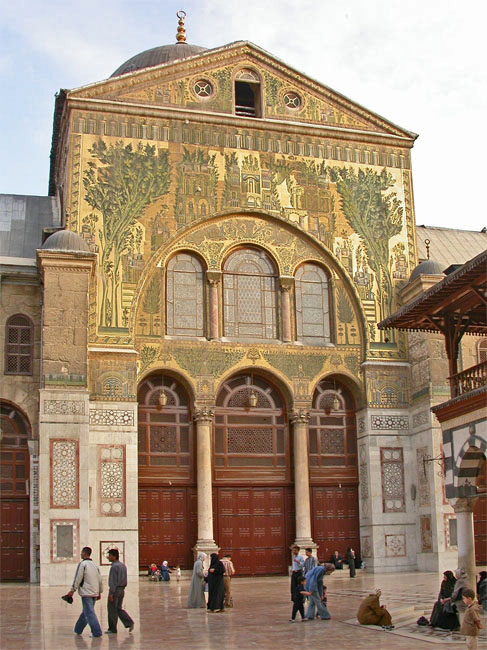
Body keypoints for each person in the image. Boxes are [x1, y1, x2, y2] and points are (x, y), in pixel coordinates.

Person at [64, 546, 103, 638]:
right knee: (86, 611)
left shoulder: (83, 564)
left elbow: (78, 578)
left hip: (86, 593)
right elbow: (100, 579)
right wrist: (100, 592)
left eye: (82, 552)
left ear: (85, 553)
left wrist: (72, 590)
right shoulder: (95, 565)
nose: (81, 554)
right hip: (94, 592)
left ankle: (97, 632)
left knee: (89, 613)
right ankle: (78, 629)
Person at [106, 549, 134, 635]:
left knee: (112, 609)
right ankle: (129, 622)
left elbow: (113, 581)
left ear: (114, 556)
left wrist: (111, 593)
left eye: (110, 555)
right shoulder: (123, 566)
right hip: (122, 590)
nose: (108, 557)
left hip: (115, 591)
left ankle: (112, 629)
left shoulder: (114, 567)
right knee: (118, 608)